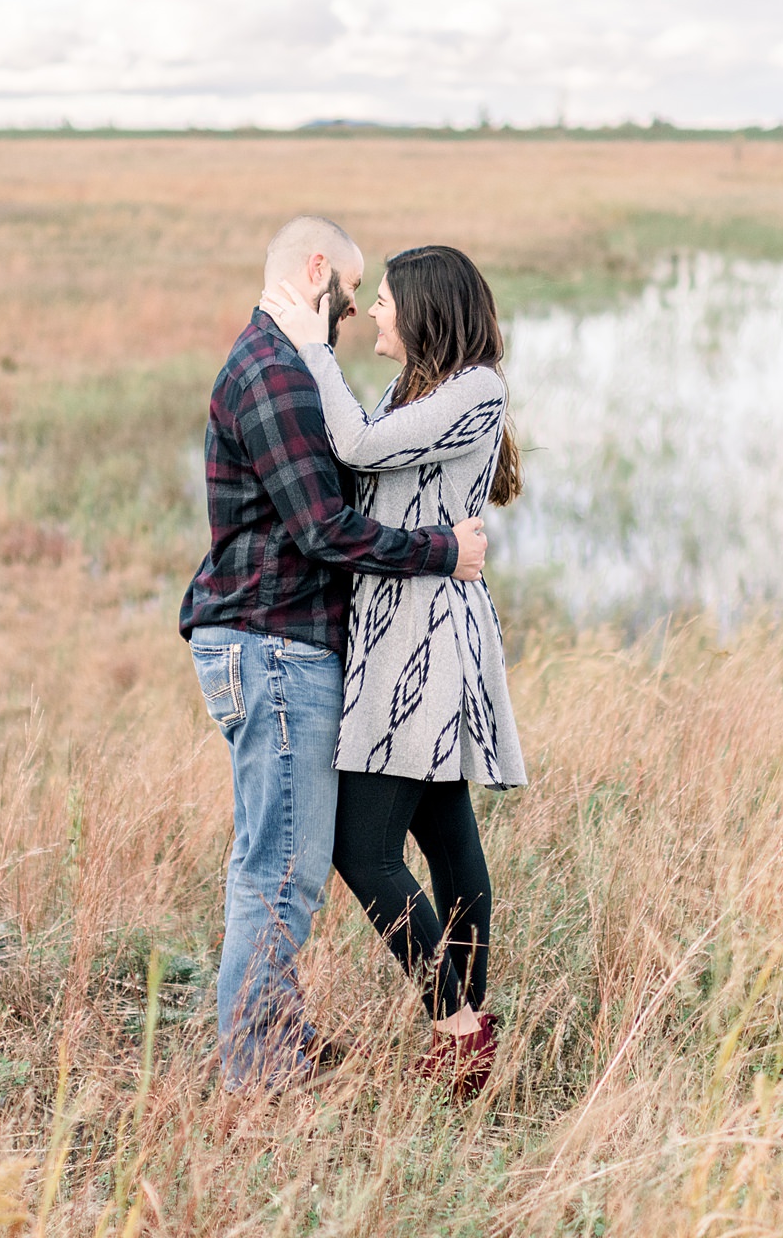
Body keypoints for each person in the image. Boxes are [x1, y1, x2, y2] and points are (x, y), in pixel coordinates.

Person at [182, 216, 490, 1090]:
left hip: (282, 645)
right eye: (351, 297)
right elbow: (323, 528)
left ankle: (279, 1039)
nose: (355, 316)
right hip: (276, 647)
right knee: (281, 875)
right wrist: (444, 552)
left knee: (282, 867)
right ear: (317, 270)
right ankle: (258, 1067)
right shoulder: (276, 372)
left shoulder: (280, 366)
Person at [259, 243, 524, 1099]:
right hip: (399, 631)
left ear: (423, 309)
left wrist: (310, 347)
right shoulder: (416, 390)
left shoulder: (476, 389)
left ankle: (455, 1023)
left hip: (424, 640)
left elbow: (363, 449)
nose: (372, 311)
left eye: (383, 299)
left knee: (360, 847)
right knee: (447, 838)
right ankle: (472, 1028)